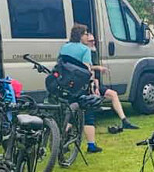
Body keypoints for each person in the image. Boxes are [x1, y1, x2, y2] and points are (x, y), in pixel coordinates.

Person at [59, 25, 138, 153]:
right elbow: (86, 69)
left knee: (71, 114)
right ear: (80, 35)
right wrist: (92, 85)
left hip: (68, 85)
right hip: (82, 85)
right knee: (89, 115)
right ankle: (91, 146)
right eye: (85, 34)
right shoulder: (84, 50)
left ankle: (62, 141)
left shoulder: (64, 47)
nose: (87, 36)